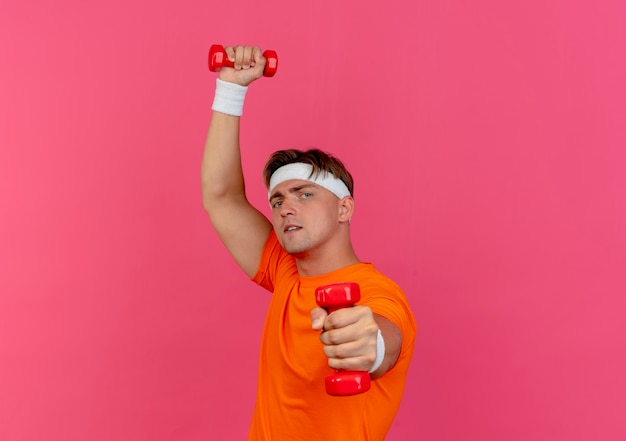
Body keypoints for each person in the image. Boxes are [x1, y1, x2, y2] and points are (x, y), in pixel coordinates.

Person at [201, 44, 416, 441]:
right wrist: (230, 88)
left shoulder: (378, 293)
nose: (284, 208)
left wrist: (372, 347)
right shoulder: (284, 271)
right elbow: (221, 196)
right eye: (278, 200)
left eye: (304, 194)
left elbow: (384, 333)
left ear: (344, 209)